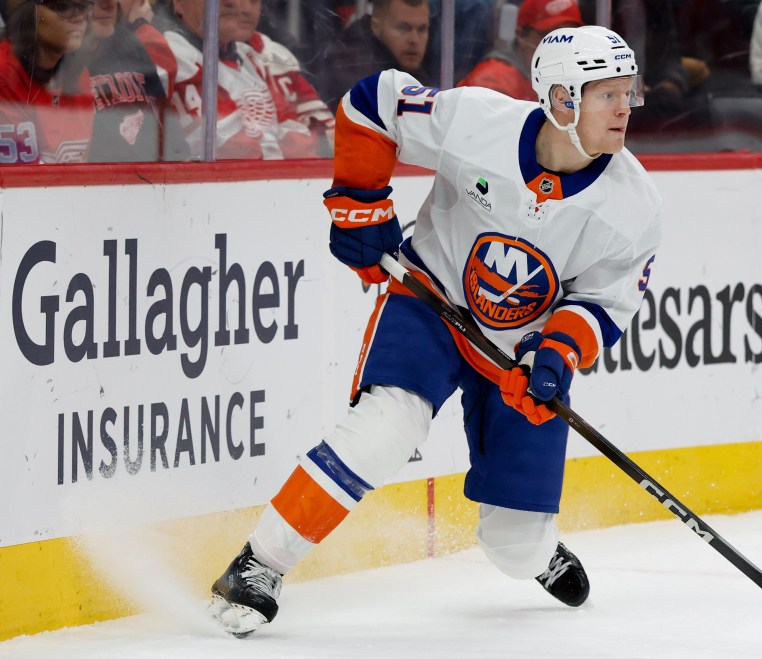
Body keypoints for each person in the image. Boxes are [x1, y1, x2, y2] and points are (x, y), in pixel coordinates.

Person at [208, 25, 663, 637]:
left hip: (516, 353)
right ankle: (259, 564)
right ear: (560, 99)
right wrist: (358, 202)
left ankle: (538, 550)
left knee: (513, 548)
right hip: (431, 302)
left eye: (627, 92)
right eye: (607, 94)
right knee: (386, 426)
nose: (624, 108)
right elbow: (373, 103)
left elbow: (604, 303)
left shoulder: (634, 204)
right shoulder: (479, 122)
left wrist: (554, 353)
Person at [159, 0, 319, 159]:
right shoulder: (169, 57)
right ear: (179, 2)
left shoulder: (249, 56)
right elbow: (232, 152)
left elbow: (300, 143)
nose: (239, 4)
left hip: (274, 180)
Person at [70, 0, 189, 161]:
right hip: (95, 182)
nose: (109, 3)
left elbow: (174, 145)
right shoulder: (53, 64)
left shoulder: (129, 44)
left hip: (150, 180)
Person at [235, 0, 335, 156]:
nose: (246, 9)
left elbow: (329, 129)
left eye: (253, 1)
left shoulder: (277, 54)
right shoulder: (191, 60)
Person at [0, 0, 95, 164]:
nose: (79, 18)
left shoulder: (79, 74)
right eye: (63, 7)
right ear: (29, 12)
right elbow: (24, 183)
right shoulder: (4, 74)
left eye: (84, 7)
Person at [316, 0, 432, 112]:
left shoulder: (402, 59)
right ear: (376, 26)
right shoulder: (354, 66)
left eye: (422, 29)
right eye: (404, 28)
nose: (414, 40)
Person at [457, 0, 583, 101]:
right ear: (521, 34)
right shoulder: (493, 81)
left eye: (568, 37)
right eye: (547, 36)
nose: (558, 46)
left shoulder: (571, 80)